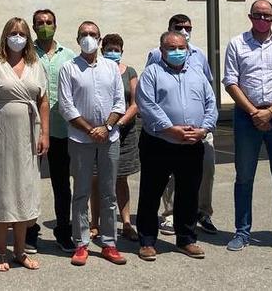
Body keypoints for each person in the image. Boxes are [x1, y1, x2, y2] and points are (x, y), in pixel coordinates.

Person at [223, 0, 272, 255]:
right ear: (250, 16)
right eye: (258, 14)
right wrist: (254, 112)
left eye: (267, 15)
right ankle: (242, 232)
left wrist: (270, 111)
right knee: (244, 177)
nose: (262, 19)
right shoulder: (237, 43)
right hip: (247, 117)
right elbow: (231, 82)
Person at [135, 30, 217, 261]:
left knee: (189, 193)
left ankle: (186, 239)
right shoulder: (152, 73)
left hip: (192, 143)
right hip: (159, 143)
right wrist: (170, 129)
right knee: (151, 193)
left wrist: (204, 128)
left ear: (188, 50)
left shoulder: (198, 74)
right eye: (171, 48)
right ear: (161, 50)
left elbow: (211, 103)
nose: (177, 52)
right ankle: (148, 241)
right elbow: (147, 104)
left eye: (181, 48)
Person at [0, 17, 50, 272]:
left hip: (29, 134)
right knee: (2, 188)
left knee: (24, 189)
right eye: (13, 32)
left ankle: (19, 251)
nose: (17, 37)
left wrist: (45, 134)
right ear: (5, 35)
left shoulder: (35, 63)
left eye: (21, 33)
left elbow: (43, 100)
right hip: (1, 132)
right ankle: (0, 251)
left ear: (28, 37)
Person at [58, 20, 127, 266]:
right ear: (78, 39)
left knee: (109, 193)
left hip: (110, 138)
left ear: (99, 40)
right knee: (81, 192)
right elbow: (66, 106)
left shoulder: (111, 68)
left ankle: (109, 243)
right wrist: (90, 130)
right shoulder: (68, 68)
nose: (88, 37)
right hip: (80, 139)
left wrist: (106, 127)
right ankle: (81, 243)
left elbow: (120, 102)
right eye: (84, 34)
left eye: (93, 34)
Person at [147, 14, 219, 236]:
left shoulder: (199, 55)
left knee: (205, 172)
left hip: (199, 132)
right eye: (179, 27)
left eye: (188, 27)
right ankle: (169, 215)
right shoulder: (155, 56)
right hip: (169, 134)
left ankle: (202, 212)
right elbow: (151, 94)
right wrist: (169, 128)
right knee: (170, 178)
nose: (184, 30)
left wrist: (204, 128)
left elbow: (208, 91)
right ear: (169, 29)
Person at [27, 9, 79, 253]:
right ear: (34, 26)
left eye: (48, 22)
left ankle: (63, 230)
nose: (44, 26)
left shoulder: (68, 55)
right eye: (40, 23)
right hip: (30, 129)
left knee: (61, 184)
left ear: (55, 25)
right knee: (28, 183)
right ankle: (28, 231)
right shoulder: (26, 54)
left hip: (61, 130)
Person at [90, 34, 140, 242]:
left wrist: (117, 124)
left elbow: (135, 103)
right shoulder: (96, 69)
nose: (113, 52)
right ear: (102, 50)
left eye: (116, 49)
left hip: (125, 133)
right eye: (109, 48)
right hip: (98, 133)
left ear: (122, 50)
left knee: (121, 178)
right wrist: (104, 127)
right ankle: (95, 223)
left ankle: (126, 222)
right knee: (95, 178)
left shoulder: (129, 72)